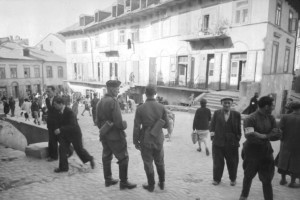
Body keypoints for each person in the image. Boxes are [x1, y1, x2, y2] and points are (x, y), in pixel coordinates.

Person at [96, 80, 136, 190]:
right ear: (112, 89)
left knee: (106, 157)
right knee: (123, 158)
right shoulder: (113, 102)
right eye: (117, 89)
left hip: (104, 135)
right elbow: (118, 122)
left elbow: (96, 121)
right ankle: (124, 182)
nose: (118, 91)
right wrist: (124, 125)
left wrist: (104, 128)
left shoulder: (100, 102)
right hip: (115, 136)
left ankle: (108, 180)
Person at [239, 96, 282, 200]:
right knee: (248, 176)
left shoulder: (271, 118)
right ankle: (243, 197)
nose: (273, 107)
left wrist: (263, 136)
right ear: (267, 106)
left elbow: (277, 134)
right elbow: (249, 136)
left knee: (267, 179)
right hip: (251, 154)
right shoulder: (250, 119)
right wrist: (267, 135)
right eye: (272, 105)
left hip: (266, 154)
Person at [133, 85, 169, 192]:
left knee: (148, 162)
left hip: (145, 139)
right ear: (155, 93)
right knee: (160, 161)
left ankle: (151, 185)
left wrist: (135, 141)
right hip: (158, 138)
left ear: (145, 94)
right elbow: (166, 125)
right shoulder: (162, 107)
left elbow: (136, 127)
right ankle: (162, 183)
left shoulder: (140, 108)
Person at [52, 96, 95, 172]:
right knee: (62, 149)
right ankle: (63, 168)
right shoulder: (57, 111)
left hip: (75, 134)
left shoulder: (69, 112)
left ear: (61, 104)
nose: (54, 106)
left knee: (79, 150)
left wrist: (60, 129)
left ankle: (90, 158)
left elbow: (73, 125)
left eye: (55, 104)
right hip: (65, 134)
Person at [210, 97, 241, 186]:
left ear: (231, 104)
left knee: (233, 162)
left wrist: (237, 138)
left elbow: (239, 129)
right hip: (218, 143)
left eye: (228, 103)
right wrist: (213, 138)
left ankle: (233, 179)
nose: (227, 105)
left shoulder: (236, 114)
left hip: (232, 144)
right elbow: (212, 126)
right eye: (225, 103)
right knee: (217, 162)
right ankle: (216, 179)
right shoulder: (216, 113)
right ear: (222, 104)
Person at [277, 101, 300, 188]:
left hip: (286, 143)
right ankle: (293, 182)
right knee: (296, 162)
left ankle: (283, 179)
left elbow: (279, 130)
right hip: (298, 145)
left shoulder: (285, 117)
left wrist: (282, 139)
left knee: (284, 160)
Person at [45, 86, 59, 161]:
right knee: (51, 140)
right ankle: (52, 155)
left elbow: (55, 110)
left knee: (57, 139)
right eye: (46, 91)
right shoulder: (47, 99)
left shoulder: (57, 99)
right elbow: (50, 109)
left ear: (54, 92)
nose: (47, 93)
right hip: (50, 122)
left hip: (57, 122)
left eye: (49, 91)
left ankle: (55, 156)